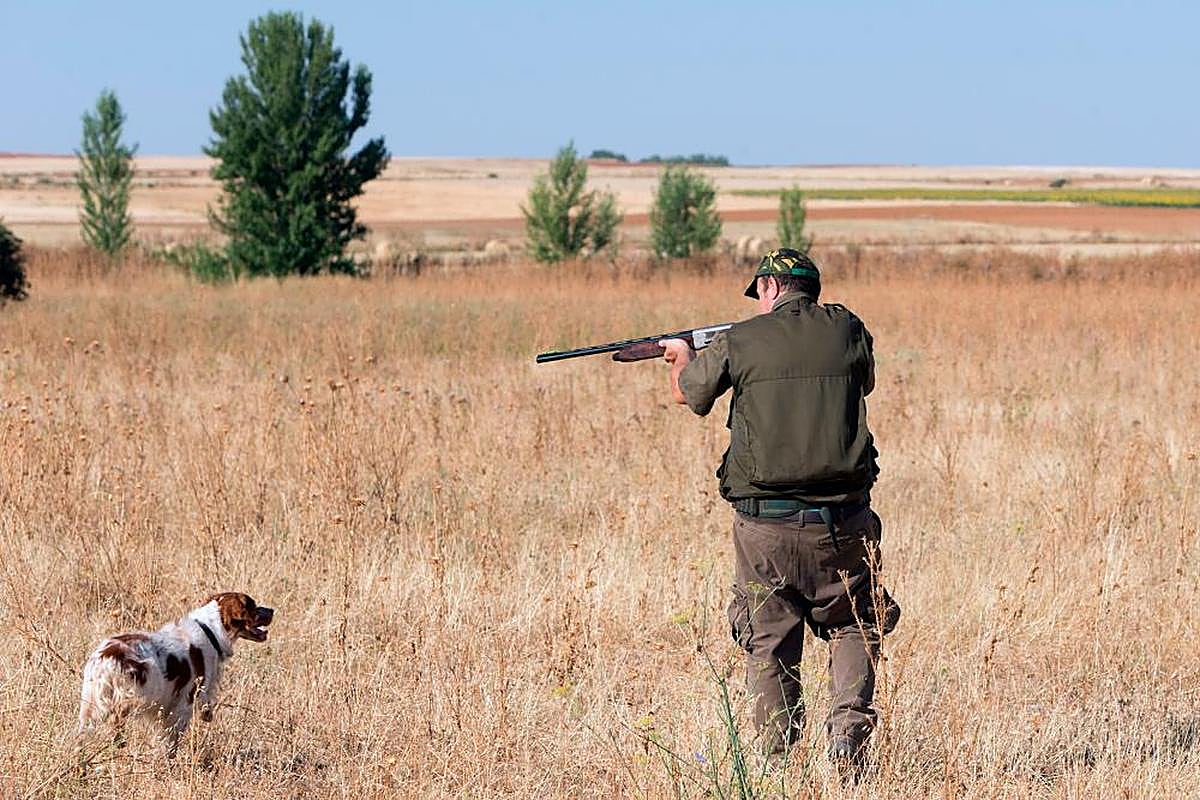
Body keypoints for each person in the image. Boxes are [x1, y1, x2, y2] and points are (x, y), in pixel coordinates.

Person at [659, 248, 899, 774]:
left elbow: (690, 396)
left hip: (764, 525)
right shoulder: (848, 329)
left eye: (759, 292)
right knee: (855, 623)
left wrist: (679, 356)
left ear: (769, 287)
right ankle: (848, 742)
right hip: (844, 523)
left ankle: (777, 760)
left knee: (770, 638)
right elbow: (866, 381)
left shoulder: (740, 339)